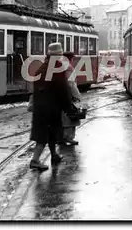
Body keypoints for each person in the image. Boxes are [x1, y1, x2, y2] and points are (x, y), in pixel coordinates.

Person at [29, 42, 75, 171]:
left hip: (40, 108)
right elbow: (63, 90)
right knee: (44, 135)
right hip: (51, 108)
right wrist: (69, 108)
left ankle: (54, 155)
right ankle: (35, 160)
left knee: (50, 133)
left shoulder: (42, 67)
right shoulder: (58, 68)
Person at [60, 51, 82, 146]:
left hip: (61, 95)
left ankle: (61, 137)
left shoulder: (59, 66)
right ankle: (68, 137)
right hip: (68, 96)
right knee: (71, 116)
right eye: (73, 58)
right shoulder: (68, 67)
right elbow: (71, 83)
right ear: (70, 58)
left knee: (62, 117)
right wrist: (77, 96)